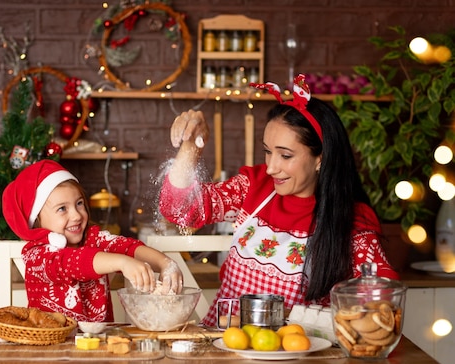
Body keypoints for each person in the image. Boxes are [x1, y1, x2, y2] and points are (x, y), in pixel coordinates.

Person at [159, 74, 399, 327]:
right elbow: (179, 210)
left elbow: (381, 300)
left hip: (300, 357)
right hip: (225, 347)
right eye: (267, 151)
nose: (271, 167)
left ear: (320, 158)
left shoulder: (351, 220)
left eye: (285, 156)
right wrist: (191, 145)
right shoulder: (254, 187)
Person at [2, 159, 183, 323]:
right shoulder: (36, 255)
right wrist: (122, 262)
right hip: (51, 351)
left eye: (79, 203)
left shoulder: (92, 237)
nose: (76, 215)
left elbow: (127, 247)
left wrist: (164, 263)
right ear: (38, 220)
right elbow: (75, 262)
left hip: (98, 347)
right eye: (62, 209)